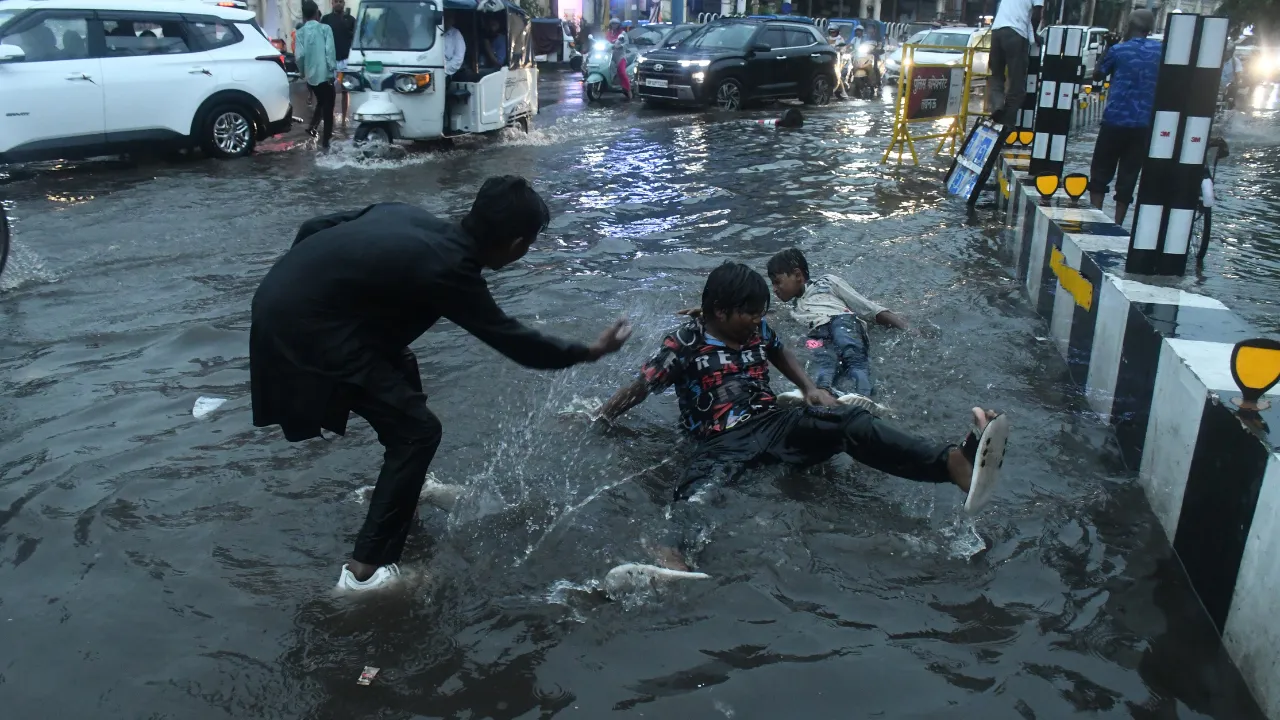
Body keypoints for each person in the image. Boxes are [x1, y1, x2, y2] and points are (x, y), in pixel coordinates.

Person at [250, 176, 633, 590]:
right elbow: (516, 342)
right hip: (305, 332)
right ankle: (365, 573)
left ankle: (403, 507)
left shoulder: (407, 215)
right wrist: (590, 351)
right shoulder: (450, 268)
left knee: (402, 368)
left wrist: (310, 288)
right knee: (418, 432)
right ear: (517, 244)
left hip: (281, 301)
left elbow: (313, 228)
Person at [598, 263, 1001, 571]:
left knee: (849, 421)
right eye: (750, 315)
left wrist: (809, 387)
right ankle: (672, 552)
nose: (758, 321)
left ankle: (952, 463)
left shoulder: (755, 330)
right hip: (718, 440)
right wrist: (602, 416)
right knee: (699, 489)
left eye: (761, 313)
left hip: (774, 422)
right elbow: (642, 385)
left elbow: (779, 350)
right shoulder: (684, 342)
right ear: (719, 312)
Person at [766, 248, 907, 398]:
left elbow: (868, 308)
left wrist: (905, 327)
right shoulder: (793, 310)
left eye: (777, 282)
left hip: (842, 321)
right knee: (824, 361)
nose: (774, 289)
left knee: (852, 354)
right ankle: (823, 393)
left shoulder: (827, 282)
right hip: (816, 334)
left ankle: (864, 395)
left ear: (797, 275)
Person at [1088, 9, 1161, 224]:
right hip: (1143, 125)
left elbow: (1098, 74)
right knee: (1129, 176)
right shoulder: (1161, 51)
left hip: (1115, 121)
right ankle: (1118, 223)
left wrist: (1109, 46)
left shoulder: (1119, 50)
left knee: (1100, 172)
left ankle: (1096, 218)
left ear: (1129, 26)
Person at [988, 0, 1044, 127]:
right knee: (1016, 84)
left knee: (996, 75)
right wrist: (1033, 34)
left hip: (996, 31)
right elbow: (1036, 15)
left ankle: (997, 106)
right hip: (1016, 33)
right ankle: (1006, 126)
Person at [295, 0, 336, 149]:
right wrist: (332, 70)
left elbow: (299, 56)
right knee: (328, 106)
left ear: (304, 16)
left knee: (322, 101)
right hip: (325, 74)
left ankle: (314, 128)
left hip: (311, 76)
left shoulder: (300, 33)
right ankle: (326, 140)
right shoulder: (325, 29)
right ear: (316, 13)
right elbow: (330, 51)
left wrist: (302, 71)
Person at [321, 0, 356, 121]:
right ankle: (329, 117)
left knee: (345, 90)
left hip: (346, 58)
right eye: (336, 1)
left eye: (340, 1)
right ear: (332, 3)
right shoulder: (326, 19)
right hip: (331, 60)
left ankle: (344, 118)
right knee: (330, 90)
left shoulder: (351, 20)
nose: (338, 4)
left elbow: (355, 38)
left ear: (344, 3)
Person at [605, 18, 632, 100]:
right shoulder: (609, 33)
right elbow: (605, 42)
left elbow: (626, 43)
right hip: (609, 55)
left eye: (616, 24)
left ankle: (628, 90)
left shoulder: (623, 33)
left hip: (620, 55)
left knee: (622, 72)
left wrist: (620, 46)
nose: (614, 25)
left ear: (619, 25)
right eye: (612, 24)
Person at [442, 10, 466, 78]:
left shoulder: (456, 34)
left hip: (448, 73)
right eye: (445, 18)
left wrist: (444, 71)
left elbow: (458, 58)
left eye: (449, 18)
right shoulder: (432, 32)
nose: (447, 21)